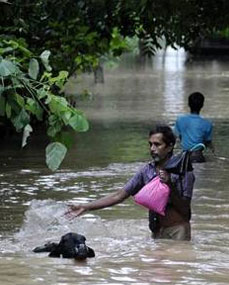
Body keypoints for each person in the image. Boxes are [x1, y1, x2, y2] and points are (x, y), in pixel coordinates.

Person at [66, 125, 195, 240]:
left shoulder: (183, 172)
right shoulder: (146, 171)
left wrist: (169, 185)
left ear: (170, 146)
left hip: (177, 232)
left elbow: (184, 210)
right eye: (150, 144)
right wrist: (86, 207)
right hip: (157, 233)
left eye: (157, 144)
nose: (152, 149)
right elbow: (119, 195)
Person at [174, 92, 213, 163]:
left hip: (185, 156)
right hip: (198, 156)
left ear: (188, 104)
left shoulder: (180, 120)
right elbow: (208, 142)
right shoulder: (207, 123)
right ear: (202, 105)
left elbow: (177, 137)